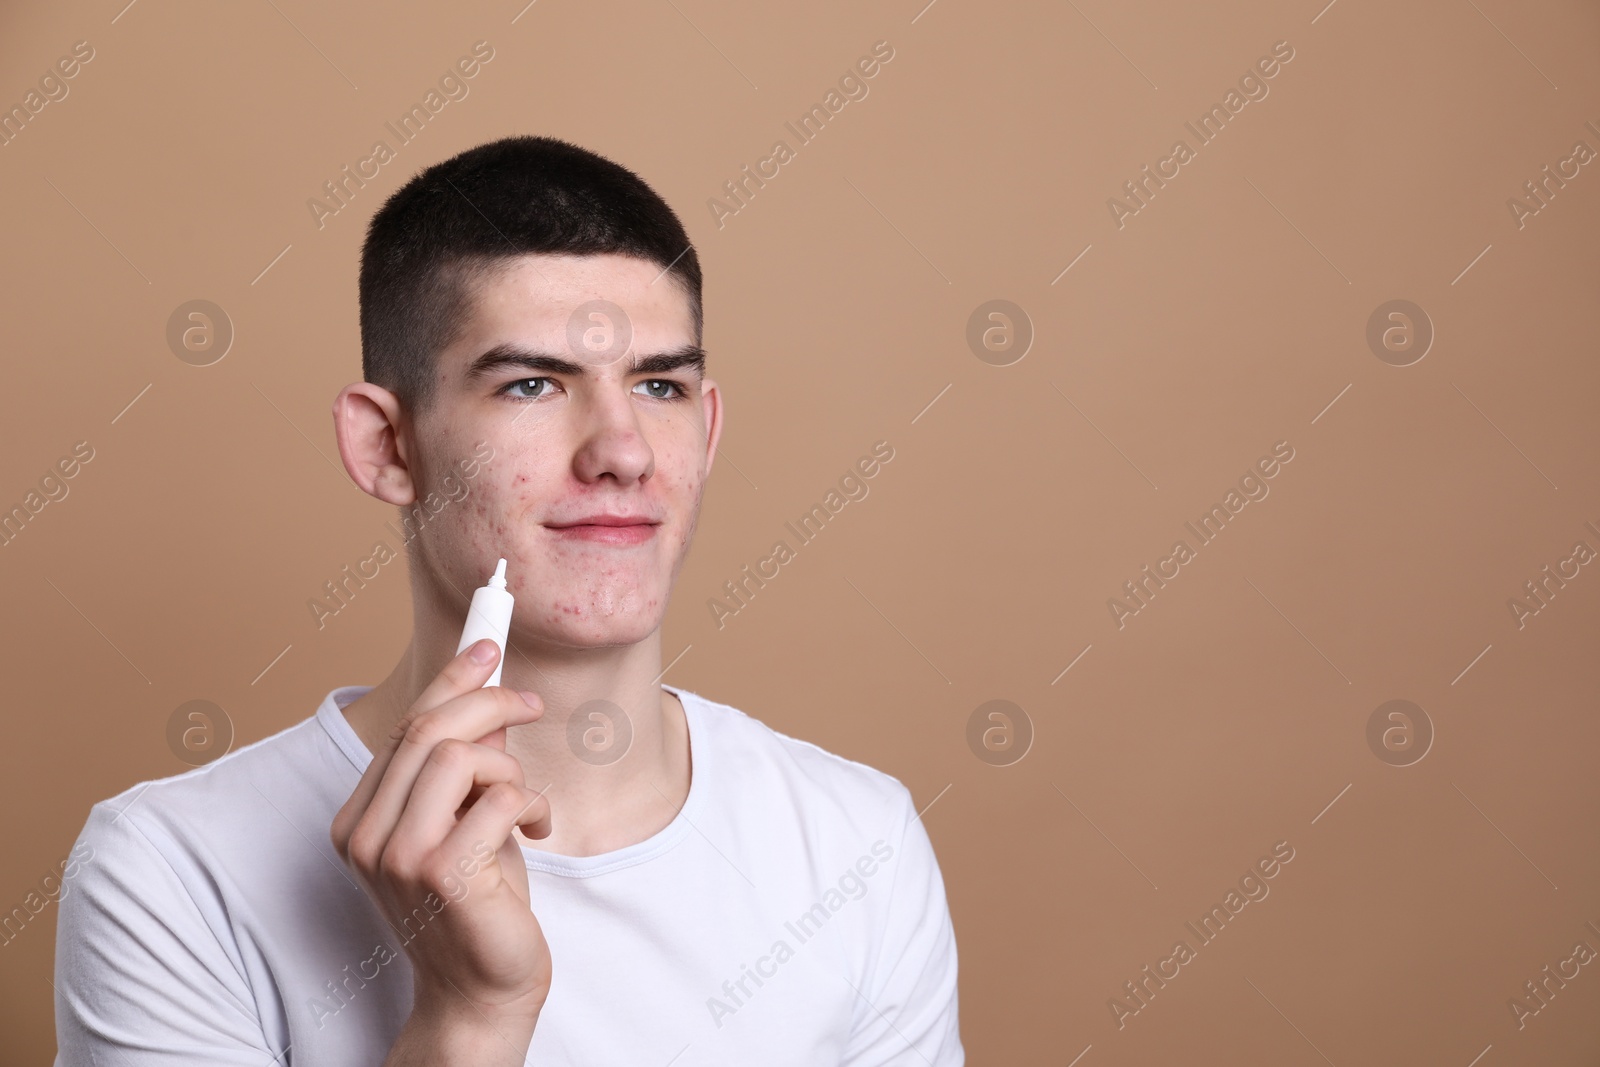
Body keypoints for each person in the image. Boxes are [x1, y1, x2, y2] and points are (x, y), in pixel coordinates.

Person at [53, 134, 963, 1065]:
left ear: (709, 427)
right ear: (388, 448)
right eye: (532, 384)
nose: (623, 449)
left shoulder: (860, 847)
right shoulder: (171, 872)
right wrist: (470, 1013)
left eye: (659, 385)